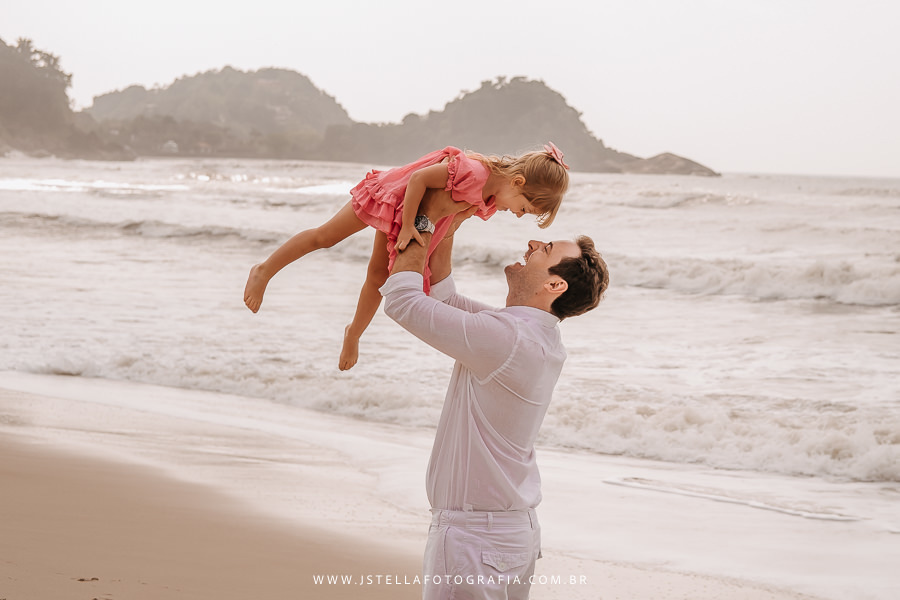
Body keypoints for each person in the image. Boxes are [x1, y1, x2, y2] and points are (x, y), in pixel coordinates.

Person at [381, 188, 609, 600]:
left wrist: (424, 217)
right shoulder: (529, 337)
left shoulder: (507, 339)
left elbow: (403, 301)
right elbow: (442, 299)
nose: (533, 243)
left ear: (554, 283)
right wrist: (452, 222)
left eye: (546, 248)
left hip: (475, 537)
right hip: (506, 533)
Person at [243, 143, 570, 370]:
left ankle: (353, 333)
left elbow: (449, 223)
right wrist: (405, 229)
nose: (517, 214)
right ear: (517, 182)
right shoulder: (474, 173)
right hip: (395, 196)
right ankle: (264, 269)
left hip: (416, 218)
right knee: (325, 236)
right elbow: (418, 180)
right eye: (524, 208)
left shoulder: (489, 197)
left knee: (378, 276)